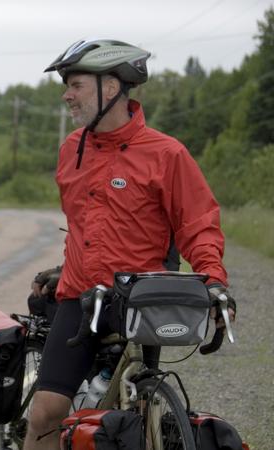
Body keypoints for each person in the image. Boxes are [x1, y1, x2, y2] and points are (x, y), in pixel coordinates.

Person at [24, 39, 237, 450]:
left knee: (139, 410)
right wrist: (63, 271)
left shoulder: (166, 154)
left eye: (77, 84)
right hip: (83, 299)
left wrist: (212, 279)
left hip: (144, 298)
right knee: (47, 411)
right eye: (66, 85)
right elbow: (84, 227)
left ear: (113, 87)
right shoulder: (72, 149)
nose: (67, 94)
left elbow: (198, 225)